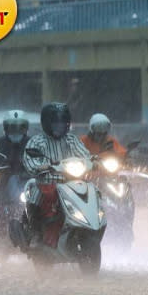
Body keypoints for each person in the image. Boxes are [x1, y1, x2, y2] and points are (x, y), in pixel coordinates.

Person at [21, 103, 91, 247]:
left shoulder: (71, 140)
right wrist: (40, 166)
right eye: (55, 122)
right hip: (47, 182)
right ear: (47, 123)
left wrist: (94, 161)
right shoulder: (37, 141)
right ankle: (34, 231)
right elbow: (30, 160)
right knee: (39, 192)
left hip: (71, 184)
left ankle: (92, 222)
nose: (59, 126)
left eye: (62, 122)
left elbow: (85, 155)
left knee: (92, 190)